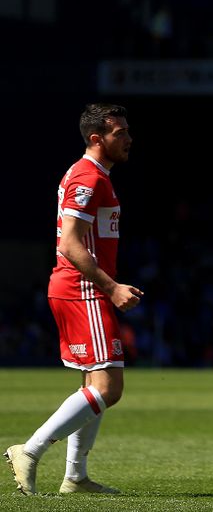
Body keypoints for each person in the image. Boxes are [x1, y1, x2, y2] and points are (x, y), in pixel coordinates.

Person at [5, 104, 142, 495]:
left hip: (79, 287)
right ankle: (29, 451)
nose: (129, 138)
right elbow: (69, 242)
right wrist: (111, 286)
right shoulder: (88, 175)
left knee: (95, 381)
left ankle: (76, 477)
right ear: (97, 139)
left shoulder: (94, 175)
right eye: (120, 133)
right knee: (109, 388)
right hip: (82, 289)